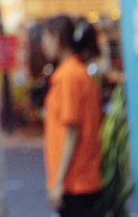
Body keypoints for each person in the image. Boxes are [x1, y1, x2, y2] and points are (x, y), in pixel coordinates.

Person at [41, 14, 104, 216]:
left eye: (45, 38)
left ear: (57, 38)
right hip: (80, 179)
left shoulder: (69, 76)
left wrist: (58, 182)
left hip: (75, 182)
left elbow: (72, 131)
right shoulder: (75, 72)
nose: (43, 45)